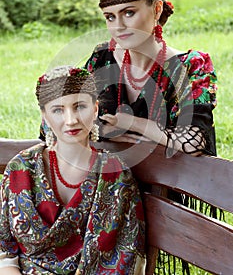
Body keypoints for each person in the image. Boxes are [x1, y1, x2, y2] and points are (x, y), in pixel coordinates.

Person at [0, 65, 146, 275]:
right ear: (45, 116)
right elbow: (4, 251)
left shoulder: (115, 176)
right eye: (58, 110)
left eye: (79, 107)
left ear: (95, 108)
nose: (71, 120)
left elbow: (127, 255)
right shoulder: (21, 168)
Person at [85, 0, 217, 158]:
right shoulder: (101, 59)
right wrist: (102, 131)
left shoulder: (192, 66)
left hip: (176, 182)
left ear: (157, 9)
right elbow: (59, 121)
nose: (118, 26)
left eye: (129, 13)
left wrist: (132, 124)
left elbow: (193, 143)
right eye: (110, 17)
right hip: (111, 182)